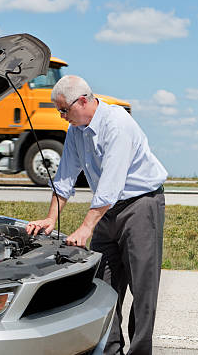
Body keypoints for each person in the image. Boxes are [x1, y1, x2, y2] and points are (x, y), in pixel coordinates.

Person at [26, 75, 167, 355]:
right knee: (104, 286)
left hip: (140, 206)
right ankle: (109, 350)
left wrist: (86, 228)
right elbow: (65, 176)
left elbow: (111, 184)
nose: (61, 116)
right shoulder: (76, 130)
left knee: (143, 289)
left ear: (82, 101)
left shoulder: (117, 124)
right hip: (107, 210)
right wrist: (50, 218)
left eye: (63, 110)